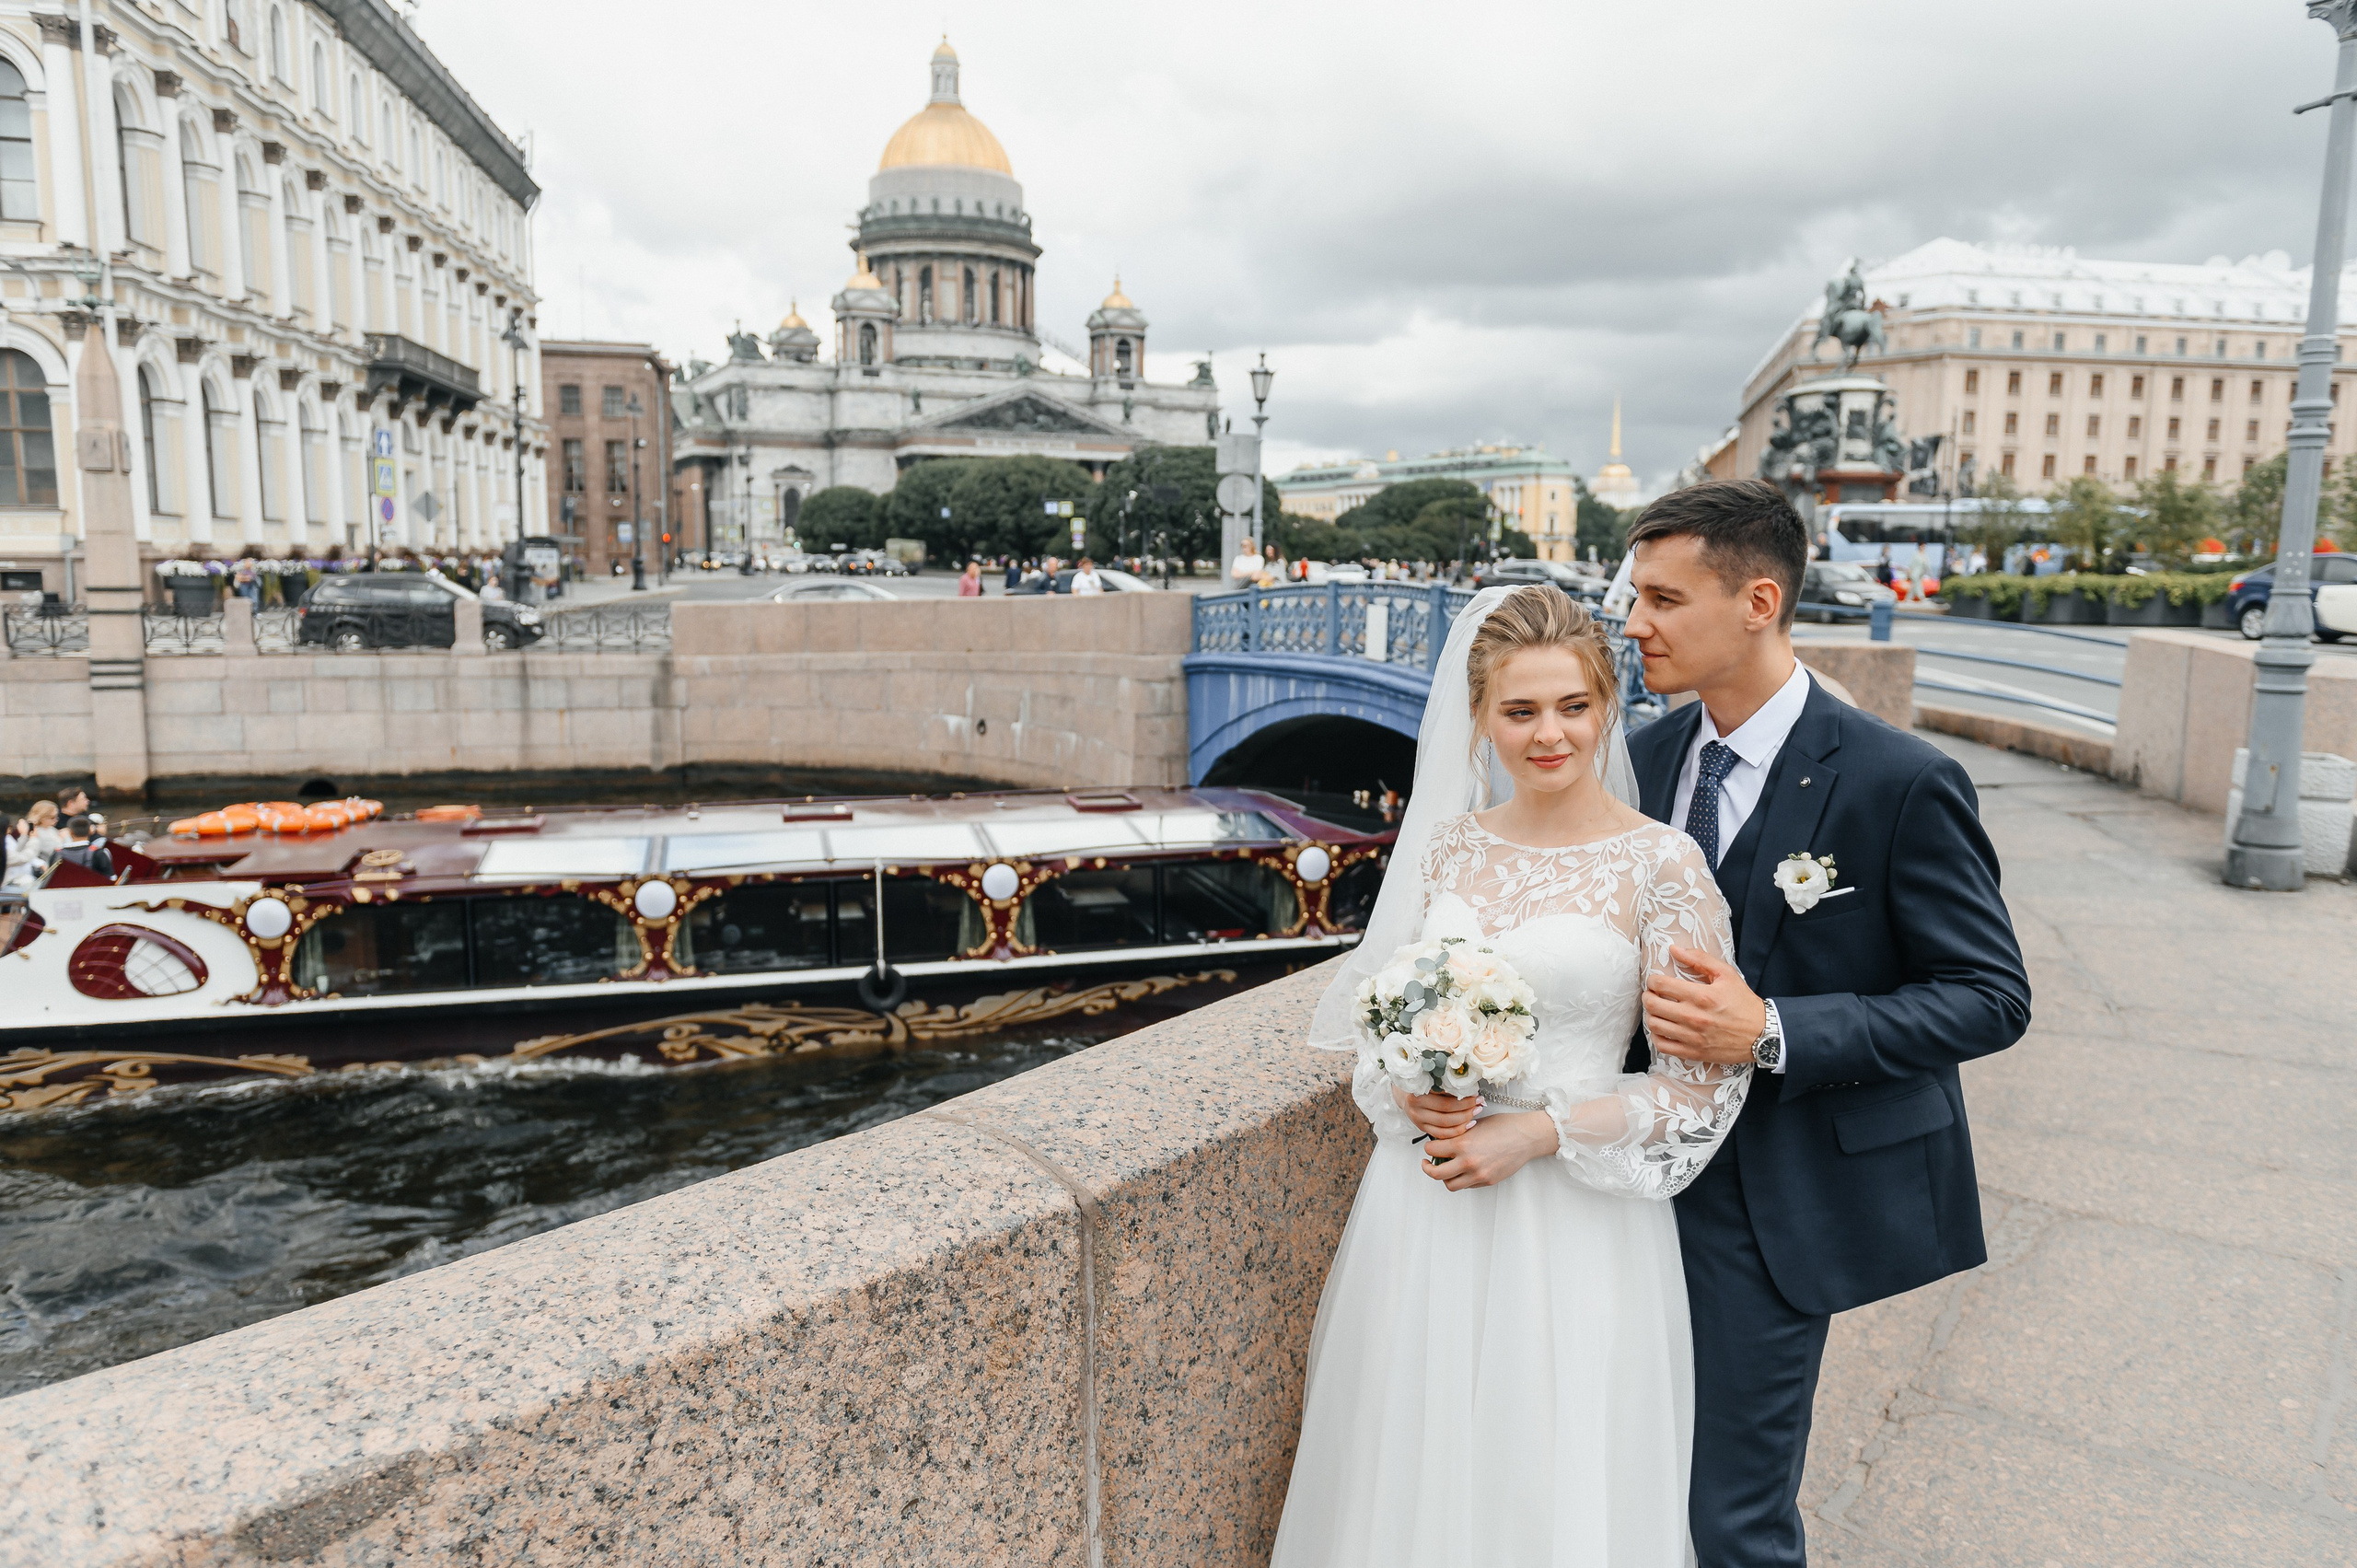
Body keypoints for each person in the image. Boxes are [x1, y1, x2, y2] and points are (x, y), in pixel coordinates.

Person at [1272, 586, 1750, 1566]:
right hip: (1426, 1207)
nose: (1548, 734)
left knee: (1551, 1479)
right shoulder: (1447, 845)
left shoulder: (1664, 866)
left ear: (1607, 706)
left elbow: (1700, 1088)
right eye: (1520, 710)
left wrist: (1537, 1132)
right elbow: (1376, 1020)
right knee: (1409, 1466)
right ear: (1479, 716)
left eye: (1572, 706)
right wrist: (1406, 1085)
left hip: (1574, 1223)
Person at [1620, 479, 2030, 1567]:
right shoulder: (1643, 760)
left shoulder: (1900, 780)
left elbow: (1990, 995)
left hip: (1775, 1197)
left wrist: (1772, 1028)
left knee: (1733, 1515)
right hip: (1616, 1178)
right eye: (1634, 595)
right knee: (1621, 1470)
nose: (1632, 623)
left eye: (1662, 598)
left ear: (1758, 600)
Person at [55, 815, 113, 880]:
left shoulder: (57, 854)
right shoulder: (99, 853)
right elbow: (111, 878)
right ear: (90, 830)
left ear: (70, 832)